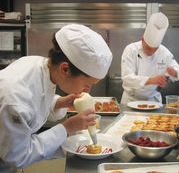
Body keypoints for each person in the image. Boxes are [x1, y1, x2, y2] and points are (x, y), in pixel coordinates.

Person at [0, 24, 112, 172]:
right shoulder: (14, 98)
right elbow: (16, 156)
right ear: (65, 69)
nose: (88, 89)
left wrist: (60, 103)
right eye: (87, 83)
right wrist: (67, 128)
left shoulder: (39, 65)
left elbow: (37, 99)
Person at [121, 12, 179, 104]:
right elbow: (127, 79)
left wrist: (173, 72)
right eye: (148, 48)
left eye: (155, 49)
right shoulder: (131, 50)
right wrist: (151, 80)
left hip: (153, 100)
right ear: (142, 40)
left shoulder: (164, 52)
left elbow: (178, 72)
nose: (151, 52)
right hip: (131, 100)